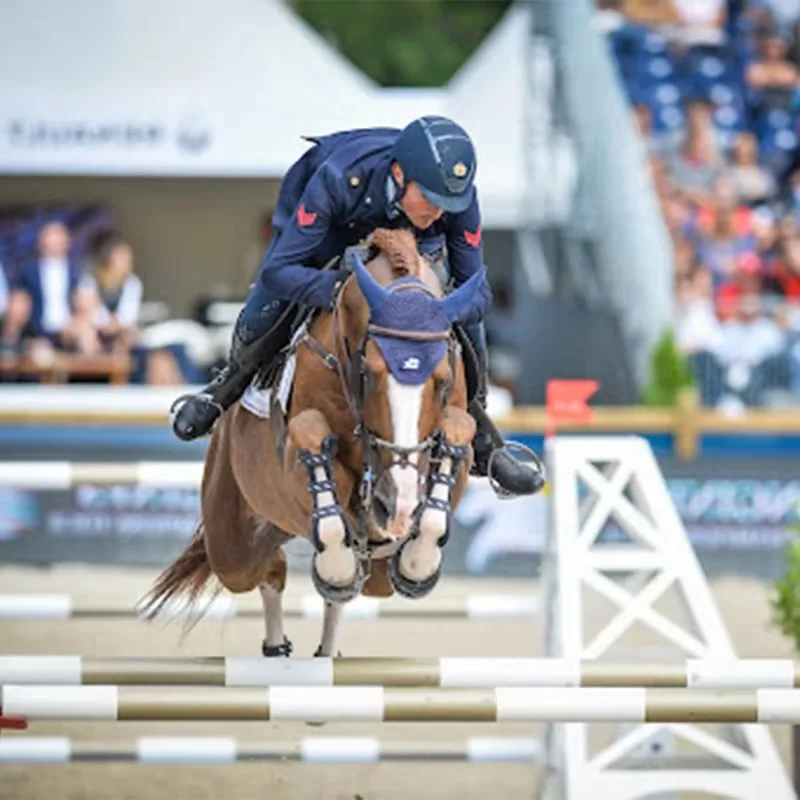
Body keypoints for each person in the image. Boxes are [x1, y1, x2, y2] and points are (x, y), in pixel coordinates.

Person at [171, 115, 543, 496]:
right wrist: (343, 288)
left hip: (413, 246)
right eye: (430, 200)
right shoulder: (337, 178)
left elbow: (477, 292)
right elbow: (279, 273)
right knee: (263, 308)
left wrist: (438, 309)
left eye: (449, 204)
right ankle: (225, 389)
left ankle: (484, 439)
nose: (439, 212)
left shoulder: (454, 199)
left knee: (463, 314)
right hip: (334, 232)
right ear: (398, 174)